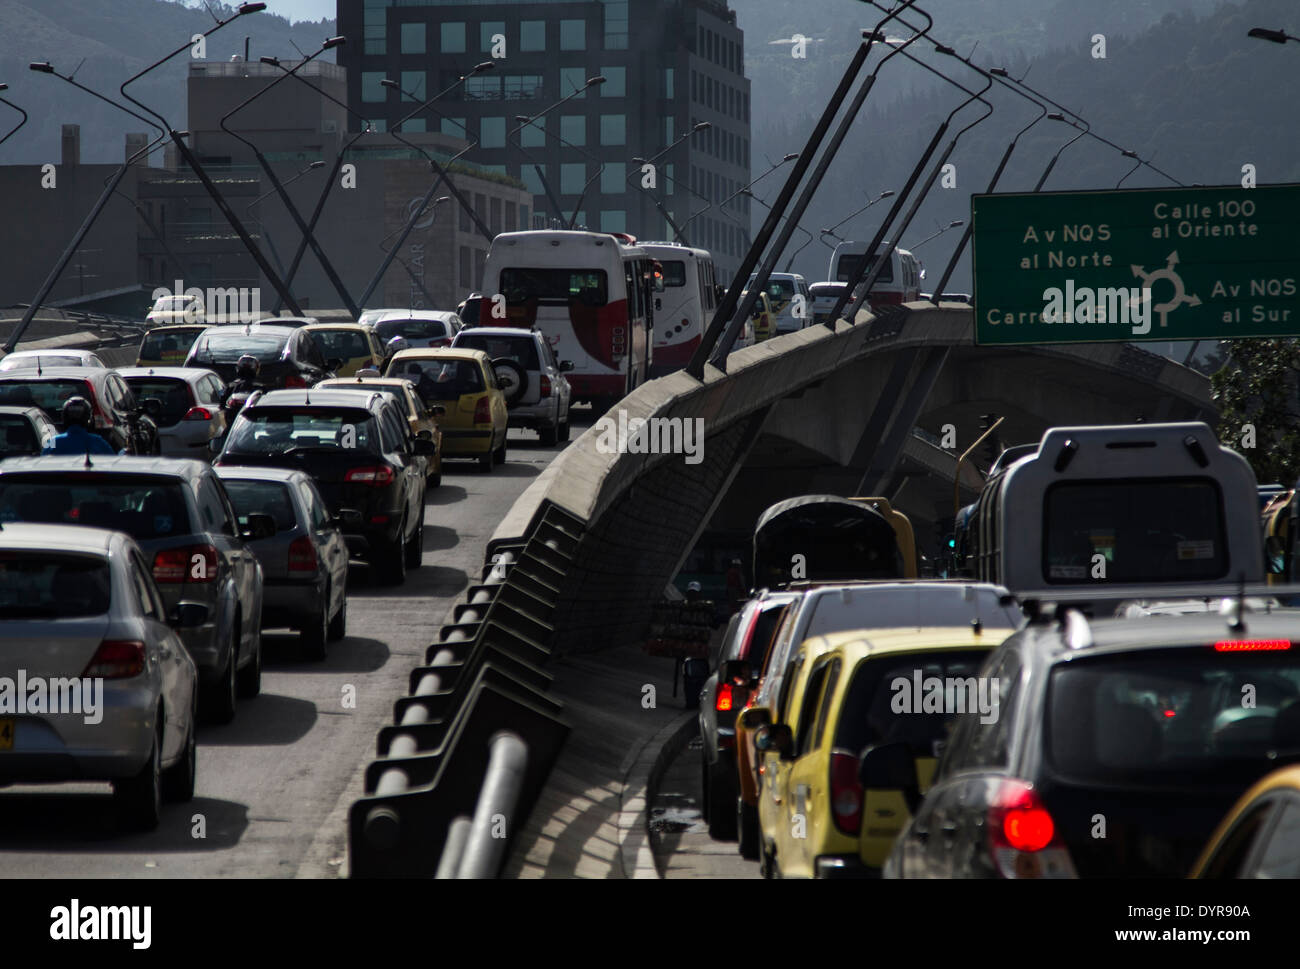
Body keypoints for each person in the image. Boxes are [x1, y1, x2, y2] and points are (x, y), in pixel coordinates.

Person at [43, 397, 117, 455]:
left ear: (64, 417)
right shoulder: (99, 443)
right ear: (88, 418)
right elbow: (112, 467)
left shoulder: (53, 443)